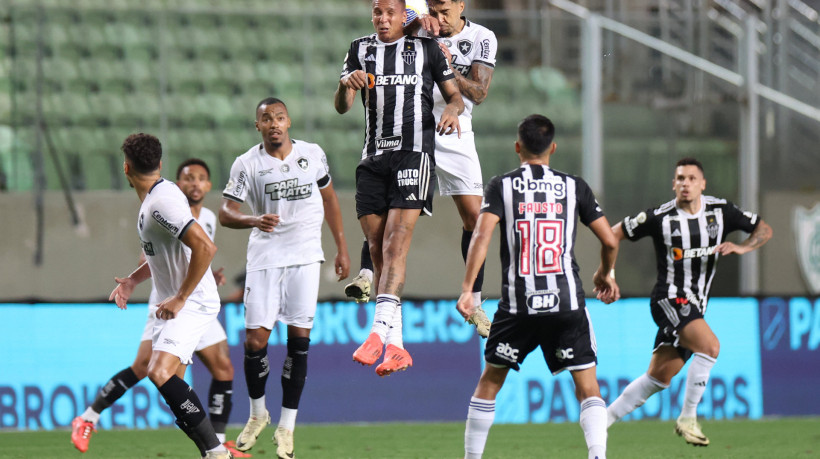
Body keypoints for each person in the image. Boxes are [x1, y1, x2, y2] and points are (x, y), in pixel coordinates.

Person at [455, 115, 620, 459]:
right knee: (588, 388)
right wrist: (606, 273)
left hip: (518, 306)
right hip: (566, 303)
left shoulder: (502, 186)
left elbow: (481, 236)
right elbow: (609, 240)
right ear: (553, 148)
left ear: (518, 147)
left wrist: (469, 289)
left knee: (490, 383)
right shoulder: (575, 186)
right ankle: (598, 456)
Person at [344, 0, 498, 340]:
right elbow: (393, 36)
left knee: (475, 216)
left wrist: (442, 62)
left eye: (445, 11)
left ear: (461, 5)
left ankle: (473, 300)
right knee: (384, 205)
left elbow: (479, 92)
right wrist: (418, 27)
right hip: (411, 125)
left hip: (454, 127)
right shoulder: (418, 20)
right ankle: (367, 273)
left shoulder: (482, 37)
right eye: (434, 9)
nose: (439, 18)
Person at [71, 158, 245, 457]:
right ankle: (88, 417)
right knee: (152, 371)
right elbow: (152, 258)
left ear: (208, 185)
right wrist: (137, 281)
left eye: (201, 178)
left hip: (195, 299)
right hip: (170, 302)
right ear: (177, 181)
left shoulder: (207, 219)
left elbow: (194, 254)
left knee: (223, 369)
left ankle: (217, 443)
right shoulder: (164, 208)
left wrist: (206, 274)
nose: (194, 183)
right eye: (188, 177)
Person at [334, 0, 465, 377]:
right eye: (377, 12)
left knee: (394, 244)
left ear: (402, 14)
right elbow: (342, 105)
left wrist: (452, 110)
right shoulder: (359, 49)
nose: (382, 19)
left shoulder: (424, 48)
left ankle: (376, 334)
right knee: (377, 253)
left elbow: (454, 96)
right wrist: (346, 85)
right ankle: (398, 346)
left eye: (390, 12)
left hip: (413, 155)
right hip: (372, 159)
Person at [606, 157, 773, 446]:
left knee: (658, 378)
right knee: (710, 346)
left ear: (702, 184)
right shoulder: (660, 217)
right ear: (673, 184)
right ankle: (688, 417)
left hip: (696, 304)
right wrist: (608, 273)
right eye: (680, 178)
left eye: (692, 179)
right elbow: (613, 233)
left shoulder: (722, 212)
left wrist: (743, 248)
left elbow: (764, 229)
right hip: (668, 297)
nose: (686, 183)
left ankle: (602, 421)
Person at [218, 97, 350, 458]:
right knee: (254, 343)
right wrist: (252, 219)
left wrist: (341, 247)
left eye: (279, 117)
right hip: (265, 258)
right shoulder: (247, 164)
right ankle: (258, 413)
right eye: (266, 119)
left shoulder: (312, 154)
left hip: (305, 258)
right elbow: (227, 212)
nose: (273, 123)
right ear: (257, 126)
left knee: (299, 341)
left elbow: (330, 199)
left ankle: (287, 426)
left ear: (288, 121)